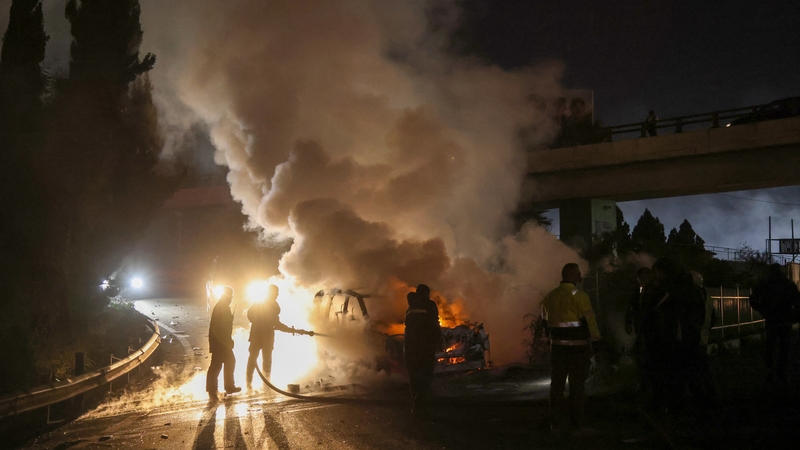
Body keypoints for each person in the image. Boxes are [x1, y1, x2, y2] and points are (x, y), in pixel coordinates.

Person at [541, 263, 601, 432]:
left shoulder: (550, 297)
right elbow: (589, 322)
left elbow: (544, 324)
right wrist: (596, 343)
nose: (581, 277)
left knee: (557, 385)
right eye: (578, 274)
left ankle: (556, 422)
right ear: (572, 276)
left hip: (557, 349)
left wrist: (548, 343)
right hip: (577, 350)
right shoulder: (579, 296)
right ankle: (577, 423)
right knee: (577, 386)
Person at [750, 263, 800, 387]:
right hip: (784, 319)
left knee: (770, 346)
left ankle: (770, 373)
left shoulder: (765, 284)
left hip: (771, 319)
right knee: (784, 348)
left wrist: (763, 310)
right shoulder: (788, 284)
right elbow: (798, 301)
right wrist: (794, 316)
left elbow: (753, 299)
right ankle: (781, 374)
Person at [245, 284, 296, 389]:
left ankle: (264, 384)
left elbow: (275, 323)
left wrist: (291, 330)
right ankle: (250, 385)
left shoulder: (272, 305)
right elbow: (251, 315)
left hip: (264, 336)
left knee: (263, 360)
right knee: (255, 359)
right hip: (260, 336)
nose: (277, 295)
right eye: (276, 292)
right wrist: (260, 323)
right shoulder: (264, 304)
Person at [404, 284, 441, 415]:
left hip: (410, 347)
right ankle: (421, 401)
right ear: (425, 293)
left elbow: (408, 328)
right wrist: (439, 341)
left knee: (413, 375)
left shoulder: (411, 306)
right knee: (425, 374)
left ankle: (415, 401)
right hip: (426, 346)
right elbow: (435, 324)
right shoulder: (429, 305)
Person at [206, 286, 241, 400]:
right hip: (220, 343)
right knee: (219, 364)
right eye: (230, 297)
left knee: (222, 363)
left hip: (220, 342)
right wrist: (227, 341)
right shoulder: (221, 307)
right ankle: (216, 389)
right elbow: (220, 329)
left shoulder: (223, 306)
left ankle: (220, 388)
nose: (231, 299)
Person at [625, 267, 653, 391]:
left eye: (639, 278)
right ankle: (644, 382)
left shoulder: (654, 292)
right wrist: (629, 322)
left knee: (647, 356)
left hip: (650, 330)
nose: (638, 280)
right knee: (642, 355)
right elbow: (632, 307)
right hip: (642, 329)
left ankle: (647, 383)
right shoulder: (638, 292)